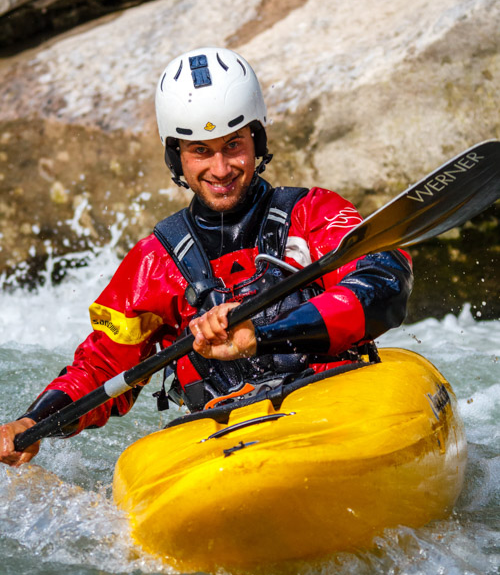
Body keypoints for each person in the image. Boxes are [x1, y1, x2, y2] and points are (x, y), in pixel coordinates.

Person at [0, 46, 413, 467]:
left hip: (336, 399)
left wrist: (264, 334)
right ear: (176, 155)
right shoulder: (153, 263)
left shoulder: (315, 215)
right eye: (200, 150)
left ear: (257, 140)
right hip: (225, 434)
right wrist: (32, 421)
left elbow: (383, 284)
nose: (220, 168)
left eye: (233, 144)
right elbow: (102, 365)